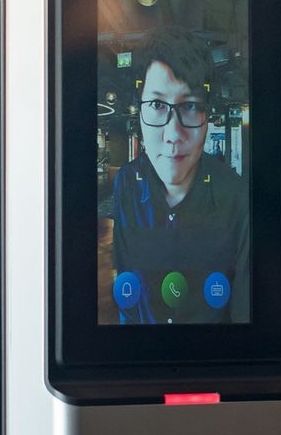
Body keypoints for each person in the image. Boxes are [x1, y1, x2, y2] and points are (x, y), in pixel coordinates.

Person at [107, 27, 250, 324]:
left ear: (207, 114)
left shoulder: (236, 195)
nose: (173, 134)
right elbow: (126, 292)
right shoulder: (127, 184)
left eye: (190, 106)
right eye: (158, 105)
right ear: (141, 108)